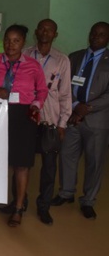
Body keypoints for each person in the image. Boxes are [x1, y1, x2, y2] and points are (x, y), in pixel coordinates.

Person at [0, 24, 48, 227]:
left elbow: (42, 91)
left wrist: (35, 105)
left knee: (21, 165)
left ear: (23, 43)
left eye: (16, 41)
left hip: (23, 116)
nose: (10, 44)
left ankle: (18, 207)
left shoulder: (33, 66)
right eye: (7, 40)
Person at [53, 21, 109, 220]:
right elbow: (63, 84)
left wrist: (89, 107)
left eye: (101, 34)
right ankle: (66, 193)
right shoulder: (75, 57)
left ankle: (88, 201)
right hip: (73, 116)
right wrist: (76, 105)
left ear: (108, 38)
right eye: (94, 33)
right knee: (67, 155)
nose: (96, 37)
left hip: (97, 120)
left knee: (94, 162)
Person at [16, 19, 71, 225]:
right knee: (22, 163)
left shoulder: (62, 60)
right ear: (36, 32)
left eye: (50, 30)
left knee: (49, 167)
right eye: (42, 28)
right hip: (26, 118)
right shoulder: (25, 54)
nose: (45, 32)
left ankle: (44, 207)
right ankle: (19, 203)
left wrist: (62, 123)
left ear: (55, 34)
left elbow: (65, 94)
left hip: (49, 120)